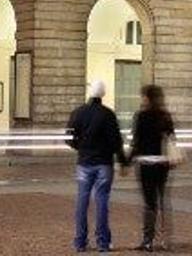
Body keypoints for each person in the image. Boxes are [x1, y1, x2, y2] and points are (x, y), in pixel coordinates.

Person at [66, 79, 128, 253]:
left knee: (82, 201)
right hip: (104, 163)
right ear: (103, 94)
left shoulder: (78, 113)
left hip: (84, 162)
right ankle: (102, 242)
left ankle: (80, 242)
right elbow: (117, 141)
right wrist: (123, 161)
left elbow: (69, 138)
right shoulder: (108, 114)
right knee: (102, 202)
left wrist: (81, 148)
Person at [129, 85, 176, 252]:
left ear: (147, 98)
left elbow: (136, 142)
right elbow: (172, 138)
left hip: (146, 163)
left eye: (143, 96)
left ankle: (148, 240)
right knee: (163, 200)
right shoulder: (165, 116)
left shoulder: (141, 116)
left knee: (149, 203)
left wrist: (127, 161)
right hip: (163, 163)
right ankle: (165, 240)